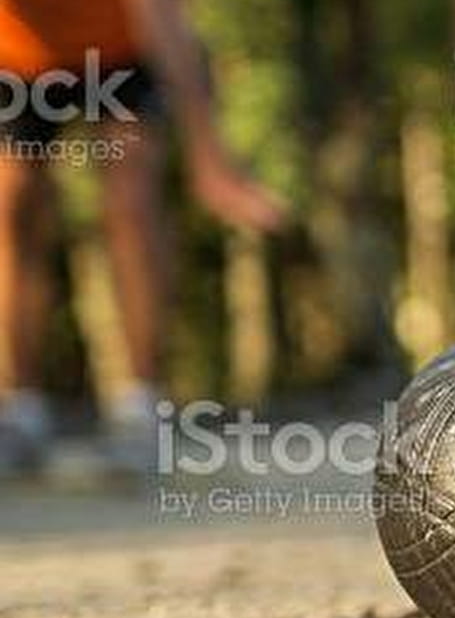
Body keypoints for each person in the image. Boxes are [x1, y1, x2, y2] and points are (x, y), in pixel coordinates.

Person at [0, 0, 283, 478]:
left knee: (131, 196)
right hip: (13, 58)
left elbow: (165, 19)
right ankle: (20, 410)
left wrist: (207, 154)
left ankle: (140, 405)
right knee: (12, 199)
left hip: (122, 48)